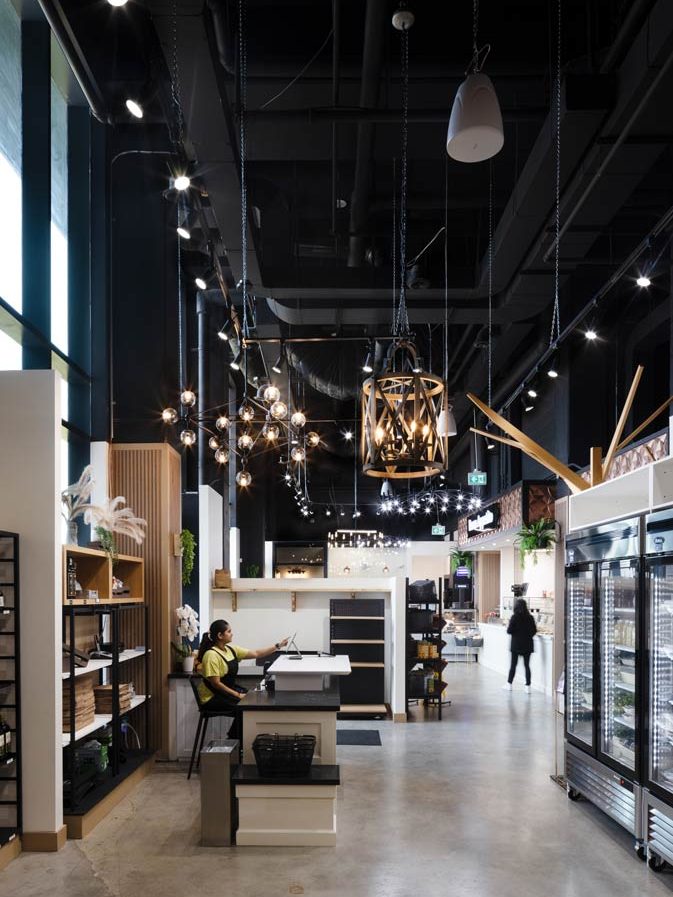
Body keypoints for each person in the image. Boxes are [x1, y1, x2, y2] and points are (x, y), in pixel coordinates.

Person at [196, 619, 289, 713]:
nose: (232, 634)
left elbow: (256, 653)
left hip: (225, 692)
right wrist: (237, 695)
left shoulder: (231, 649)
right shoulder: (211, 655)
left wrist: (278, 645)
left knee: (254, 698)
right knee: (246, 708)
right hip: (212, 698)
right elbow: (216, 684)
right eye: (229, 631)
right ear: (220, 635)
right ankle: (240, 728)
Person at [503, 598, 537, 692]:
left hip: (516, 645)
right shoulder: (530, 617)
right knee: (527, 665)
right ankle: (528, 687)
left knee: (513, 665)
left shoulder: (514, 617)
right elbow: (534, 631)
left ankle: (509, 684)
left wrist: (516, 631)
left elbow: (509, 631)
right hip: (528, 645)